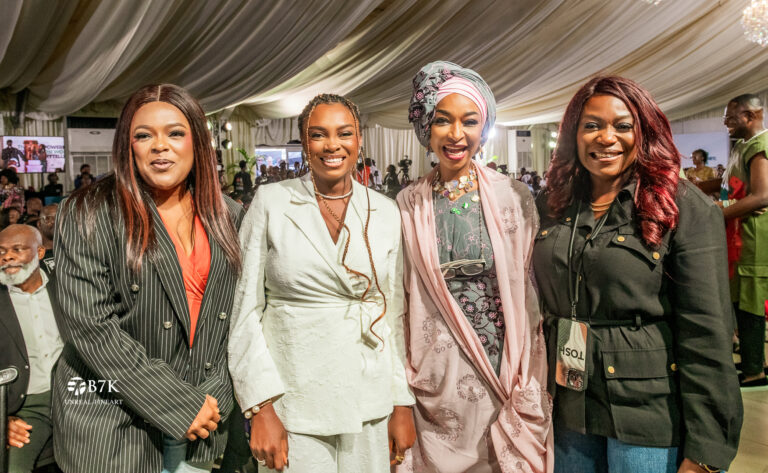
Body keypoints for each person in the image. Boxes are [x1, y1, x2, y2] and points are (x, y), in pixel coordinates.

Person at [535, 76, 742, 473]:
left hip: (645, 414)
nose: (605, 137)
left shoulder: (681, 207)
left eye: (622, 125)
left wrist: (706, 450)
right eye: (591, 125)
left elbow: (707, 331)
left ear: (644, 132)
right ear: (573, 134)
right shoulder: (554, 204)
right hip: (569, 402)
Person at [53, 84, 244, 473]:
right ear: (128, 146)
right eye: (143, 135)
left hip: (204, 416)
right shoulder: (88, 212)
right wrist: (177, 403)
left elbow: (240, 317)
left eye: (175, 133)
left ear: (198, 142)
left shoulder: (229, 215)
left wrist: (216, 397)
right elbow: (91, 328)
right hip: (113, 421)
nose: (160, 146)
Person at [228, 93, 415, 473]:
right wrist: (260, 406)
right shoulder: (272, 202)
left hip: (369, 395)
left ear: (359, 139)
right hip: (293, 399)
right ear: (304, 142)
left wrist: (401, 401)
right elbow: (244, 311)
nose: (332, 145)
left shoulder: (384, 211)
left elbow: (393, 313)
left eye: (344, 133)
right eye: (318, 134)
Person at [397, 61, 552, 473]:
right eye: (442, 120)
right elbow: (401, 300)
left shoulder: (514, 197)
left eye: (469, 122)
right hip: (434, 379)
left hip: (503, 369)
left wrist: (527, 375)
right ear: (426, 129)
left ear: (483, 130)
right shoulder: (407, 204)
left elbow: (530, 294)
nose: (456, 134)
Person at [0, 225, 64, 473]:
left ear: (39, 253)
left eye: (18, 249)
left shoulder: (66, 289)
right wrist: (2, 420)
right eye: (1, 251)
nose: (7, 256)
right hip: (26, 407)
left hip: (77, 397)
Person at [720, 93, 768, 387]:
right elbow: (729, 186)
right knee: (741, 302)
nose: (726, 123)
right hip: (738, 238)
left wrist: (717, 212)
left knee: (750, 306)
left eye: (730, 117)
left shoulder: (760, 146)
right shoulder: (742, 146)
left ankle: (754, 372)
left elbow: (761, 196)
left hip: (753, 239)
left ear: (749, 116)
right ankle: (754, 362)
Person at [36, 204, 57, 272]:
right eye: (49, 218)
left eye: (59, 217)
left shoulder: (72, 252)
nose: (55, 222)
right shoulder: (33, 256)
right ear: (39, 224)